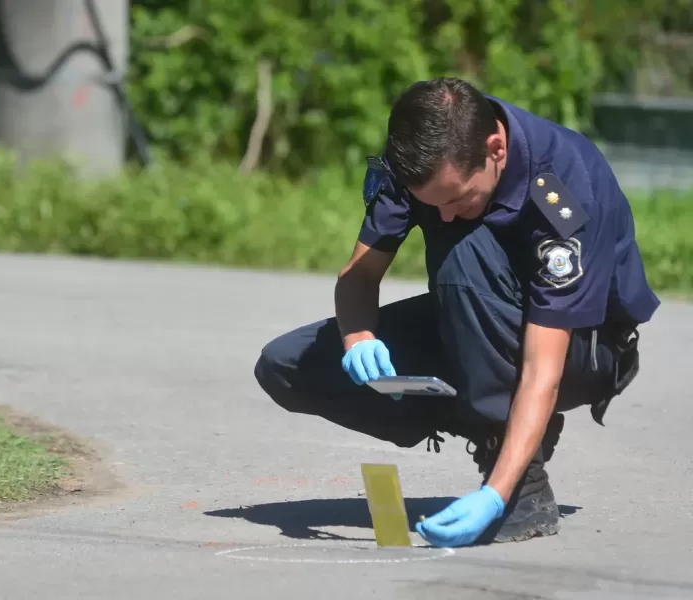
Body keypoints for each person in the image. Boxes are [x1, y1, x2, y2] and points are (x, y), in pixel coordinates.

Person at [253, 77, 660, 548]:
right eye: (433, 205)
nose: (442, 217)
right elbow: (358, 277)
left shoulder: (561, 187)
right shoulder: (421, 159)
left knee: (463, 251)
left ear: (496, 149)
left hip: (582, 348)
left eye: (457, 198)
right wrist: (358, 337)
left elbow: (542, 368)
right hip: (473, 321)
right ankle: (482, 414)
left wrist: (497, 494)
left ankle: (519, 479)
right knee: (287, 365)